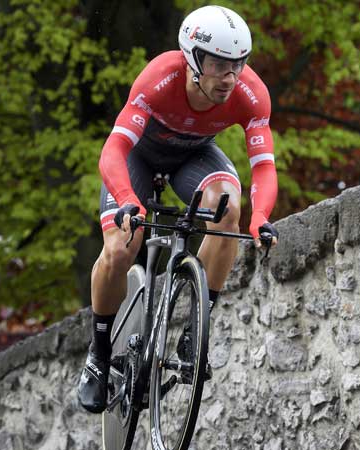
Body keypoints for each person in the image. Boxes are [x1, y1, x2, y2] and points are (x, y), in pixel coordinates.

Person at [77, 5, 279, 414]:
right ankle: (98, 356)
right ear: (192, 59)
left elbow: (264, 167)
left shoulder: (250, 93)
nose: (230, 78)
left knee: (228, 207)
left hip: (193, 157)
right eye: (219, 66)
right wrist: (127, 199)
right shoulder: (159, 79)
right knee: (120, 247)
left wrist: (260, 218)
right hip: (139, 157)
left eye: (238, 66)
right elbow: (114, 149)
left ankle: (194, 329)